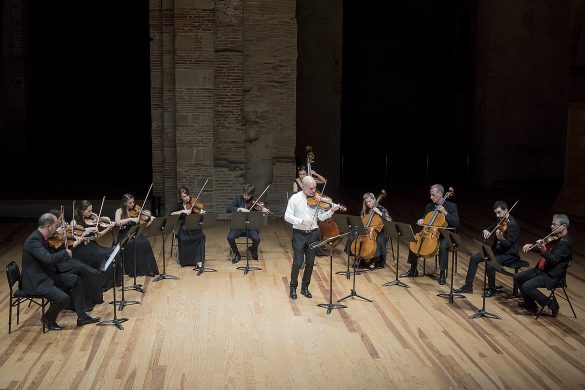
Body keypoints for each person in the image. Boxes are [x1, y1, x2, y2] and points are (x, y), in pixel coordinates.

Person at [21, 213, 100, 330]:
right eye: (55, 225)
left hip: (47, 275)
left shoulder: (41, 237)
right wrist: (65, 253)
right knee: (64, 299)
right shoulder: (34, 240)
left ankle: (82, 317)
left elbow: (51, 255)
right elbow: (47, 259)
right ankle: (48, 318)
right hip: (36, 281)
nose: (57, 227)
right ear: (48, 226)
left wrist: (68, 247)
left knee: (75, 280)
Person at [285, 176, 341, 299]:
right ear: (303, 187)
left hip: (313, 233)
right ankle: (293, 287)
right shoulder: (295, 198)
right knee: (298, 263)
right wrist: (301, 221)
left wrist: (331, 210)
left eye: (315, 187)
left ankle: (305, 287)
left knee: (310, 263)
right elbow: (287, 216)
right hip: (299, 234)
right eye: (311, 188)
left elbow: (321, 217)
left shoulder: (317, 199)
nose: (314, 191)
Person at [454, 201, 520, 297]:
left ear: (506, 210)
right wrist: (486, 230)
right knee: (474, 258)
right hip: (497, 251)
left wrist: (501, 238)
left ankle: (492, 289)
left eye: (499, 212)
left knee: (490, 264)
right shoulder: (501, 220)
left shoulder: (513, 224)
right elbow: (491, 228)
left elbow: (509, 244)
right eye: (496, 213)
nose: (497, 215)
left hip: (508, 254)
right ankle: (468, 286)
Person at [400, 184, 459, 285]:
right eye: (430, 195)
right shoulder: (429, 206)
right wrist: (421, 221)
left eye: (433, 195)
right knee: (414, 239)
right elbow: (426, 221)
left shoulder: (451, 206)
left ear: (440, 194)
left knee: (443, 246)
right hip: (429, 233)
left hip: (444, 235)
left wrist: (445, 213)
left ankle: (442, 273)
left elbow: (456, 223)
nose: (431, 197)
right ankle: (413, 270)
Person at [514, 214, 572, 317]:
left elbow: (553, 260)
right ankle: (530, 304)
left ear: (563, 227)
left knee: (527, 286)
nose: (551, 226)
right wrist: (531, 246)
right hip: (542, 270)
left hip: (552, 275)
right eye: (552, 223)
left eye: (554, 224)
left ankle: (550, 302)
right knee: (517, 277)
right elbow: (544, 248)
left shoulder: (565, 243)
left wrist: (543, 248)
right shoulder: (555, 237)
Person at [71, 200, 122, 291]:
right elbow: (74, 238)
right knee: (109, 254)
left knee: (114, 252)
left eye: (91, 210)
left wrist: (109, 227)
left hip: (93, 245)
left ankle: (113, 281)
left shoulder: (91, 220)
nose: (91, 213)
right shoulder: (74, 222)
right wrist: (86, 231)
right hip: (82, 249)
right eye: (89, 211)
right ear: (82, 211)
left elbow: (97, 235)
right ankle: (103, 283)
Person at [115, 194, 159, 277]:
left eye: (133, 202)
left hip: (136, 231)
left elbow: (143, 224)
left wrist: (149, 221)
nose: (133, 204)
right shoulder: (119, 211)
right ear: (125, 203)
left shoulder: (137, 210)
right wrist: (130, 219)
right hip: (124, 234)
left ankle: (148, 268)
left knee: (145, 242)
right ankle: (133, 270)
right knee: (133, 245)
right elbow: (117, 222)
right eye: (130, 203)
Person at [345, 192, 392, 270]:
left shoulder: (381, 208)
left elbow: (390, 221)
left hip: (380, 231)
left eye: (370, 201)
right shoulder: (365, 210)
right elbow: (361, 221)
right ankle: (360, 258)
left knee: (379, 240)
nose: (368, 203)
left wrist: (379, 213)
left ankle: (375, 260)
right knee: (352, 237)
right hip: (366, 231)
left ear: (374, 200)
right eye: (366, 202)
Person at [226, 184, 269, 264]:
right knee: (230, 237)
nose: (245, 196)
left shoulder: (256, 201)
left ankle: (253, 249)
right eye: (244, 194)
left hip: (251, 227)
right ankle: (236, 253)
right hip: (238, 227)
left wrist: (262, 211)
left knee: (257, 239)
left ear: (252, 194)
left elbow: (261, 216)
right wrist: (239, 208)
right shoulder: (238, 199)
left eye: (248, 195)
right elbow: (228, 209)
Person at [171, 187, 206, 268]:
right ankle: (185, 261)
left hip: (194, 226)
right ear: (180, 197)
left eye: (187, 196)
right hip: (184, 227)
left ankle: (199, 260)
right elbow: (171, 214)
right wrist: (181, 211)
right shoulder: (179, 205)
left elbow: (200, 210)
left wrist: (201, 212)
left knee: (201, 237)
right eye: (183, 197)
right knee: (183, 239)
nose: (186, 198)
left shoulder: (193, 202)